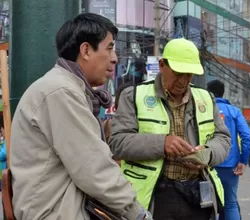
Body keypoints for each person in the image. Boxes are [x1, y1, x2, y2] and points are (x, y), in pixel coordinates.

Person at [10, 13, 151, 220]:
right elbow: (94, 170)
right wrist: (139, 214)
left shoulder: (65, 88)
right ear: (86, 50)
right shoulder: (61, 91)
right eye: (110, 48)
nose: (115, 58)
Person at [109, 38, 231, 220]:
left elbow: (223, 138)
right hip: (157, 196)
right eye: (178, 73)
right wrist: (162, 143)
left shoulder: (205, 98)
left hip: (197, 193)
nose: (183, 81)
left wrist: (208, 153)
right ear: (161, 65)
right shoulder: (134, 96)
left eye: (189, 75)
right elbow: (118, 142)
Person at [206, 79, 250, 220]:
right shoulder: (234, 111)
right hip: (230, 166)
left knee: (206, 204)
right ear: (223, 92)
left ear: (208, 92)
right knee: (230, 204)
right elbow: (246, 136)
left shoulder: (204, 109)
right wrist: (243, 161)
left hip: (207, 164)